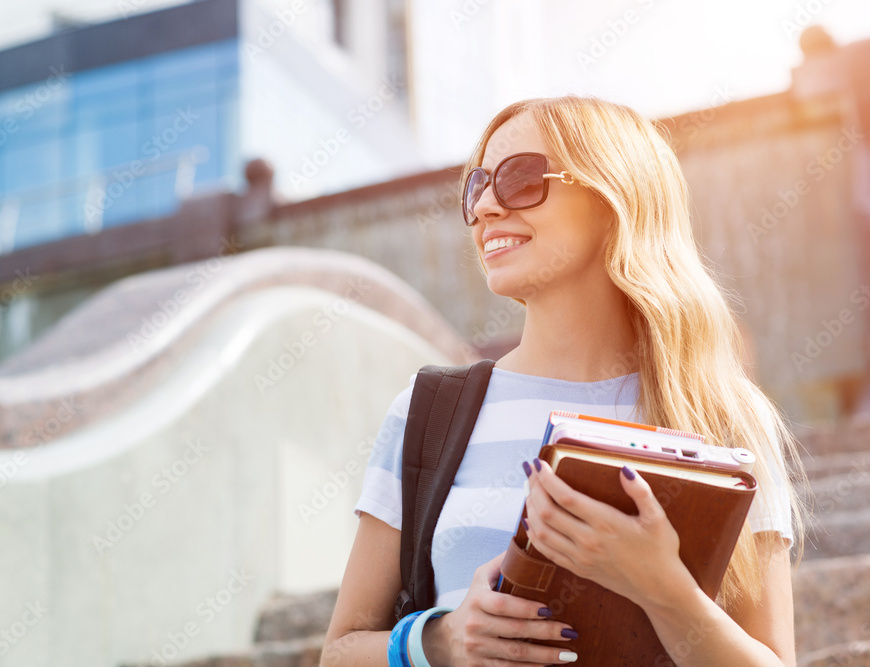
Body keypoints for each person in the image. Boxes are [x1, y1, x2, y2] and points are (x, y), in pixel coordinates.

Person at [320, 95, 807, 666]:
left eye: (521, 179)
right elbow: (339, 653)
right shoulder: (429, 410)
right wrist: (442, 642)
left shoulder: (724, 415)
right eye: (477, 187)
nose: (486, 209)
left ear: (611, 198)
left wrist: (664, 591)